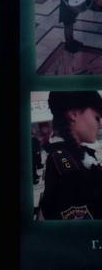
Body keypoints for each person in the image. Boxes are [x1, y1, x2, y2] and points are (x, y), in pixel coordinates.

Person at [38, 91, 102, 220]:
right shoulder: (67, 169)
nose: (100, 125)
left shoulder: (78, 153)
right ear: (74, 114)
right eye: (97, 117)